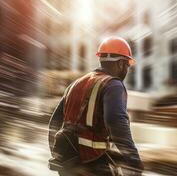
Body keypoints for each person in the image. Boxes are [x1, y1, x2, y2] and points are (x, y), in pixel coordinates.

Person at [48, 37, 143, 176]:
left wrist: (59, 154)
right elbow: (115, 122)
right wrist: (133, 158)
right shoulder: (113, 85)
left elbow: (54, 123)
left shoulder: (75, 84)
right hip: (93, 163)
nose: (127, 70)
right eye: (127, 65)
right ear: (121, 64)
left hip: (68, 162)